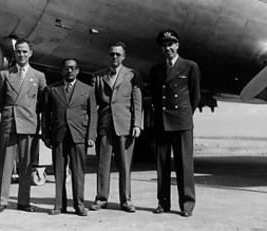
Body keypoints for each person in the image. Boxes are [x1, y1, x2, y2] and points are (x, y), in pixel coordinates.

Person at [150, 29, 201, 217]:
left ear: (177, 45)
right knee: (162, 164)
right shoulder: (156, 69)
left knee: (184, 165)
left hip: (181, 122)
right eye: (164, 45)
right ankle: (163, 203)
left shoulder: (190, 66)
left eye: (171, 44)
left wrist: (186, 115)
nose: (168, 48)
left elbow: (195, 96)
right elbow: (156, 96)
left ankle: (187, 204)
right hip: (162, 122)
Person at [0, 38, 47, 213]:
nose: (21, 55)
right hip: (10, 123)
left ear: (30, 53)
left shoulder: (38, 76)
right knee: (6, 164)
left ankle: (24, 201)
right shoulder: (5, 75)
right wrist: (11, 113)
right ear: (15, 53)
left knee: (26, 165)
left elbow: (42, 102)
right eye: (18, 51)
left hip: (28, 124)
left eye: (24, 51)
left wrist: (29, 112)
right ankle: (2, 201)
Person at [90, 41, 143, 213]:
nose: (114, 57)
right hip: (104, 127)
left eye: (118, 54)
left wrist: (137, 124)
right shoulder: (98, 76)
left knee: (125, 165)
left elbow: (137, 102)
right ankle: (101, 198)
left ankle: (126, 200)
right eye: (112, 54)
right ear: (108, 55)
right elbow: (92, 105)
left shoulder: (132, 75)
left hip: (125, 126)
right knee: (102, 164)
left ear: (124, 56)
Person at [42, 59, 97, 217]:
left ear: (78, 71)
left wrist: (91, 136)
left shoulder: (87, 90)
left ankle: (79, 205)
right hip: (58, 135)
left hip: (79, 135)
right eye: (67, 68)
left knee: (78, 172)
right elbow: (45, 115)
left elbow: (93, 114)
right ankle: (59, 205)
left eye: (73, 68)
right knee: (59, 172)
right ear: (62, 70)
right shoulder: (52, 89)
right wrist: (46, 136)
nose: (70, 71)